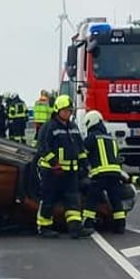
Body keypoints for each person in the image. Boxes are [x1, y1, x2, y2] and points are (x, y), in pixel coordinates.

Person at [35, 94, 93, 239]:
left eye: (70, 111)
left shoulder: (73, 127)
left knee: (73, 200)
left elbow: (80, 148)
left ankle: (75, 228)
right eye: (65, 110)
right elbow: (42, 148)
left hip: (71, 172)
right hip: (52, 172)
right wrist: (55, 164)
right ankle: (44, 227)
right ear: (57, 110)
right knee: (48, 199)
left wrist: (85, 165)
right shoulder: (49, 127)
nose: (68, 113)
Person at [79, 110, 127, 234]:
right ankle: (120, 225)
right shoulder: (111, 138)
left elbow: (82, 154)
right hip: (115, 173)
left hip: (99, 174)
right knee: (115, 199)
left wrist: (83, 167)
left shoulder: (91, 137)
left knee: (92, 199)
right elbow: (117, 156)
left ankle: (88, 224)